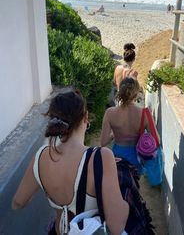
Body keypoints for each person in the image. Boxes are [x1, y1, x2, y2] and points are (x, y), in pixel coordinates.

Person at [12, 91, 129, 235]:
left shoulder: (40, 156)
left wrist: (47, 186)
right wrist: (126, 205)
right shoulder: (100, 156)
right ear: (86, 117)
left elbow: (17, 202)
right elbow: (116, 226)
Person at [100, 77, 160, 174]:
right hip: (136, 157)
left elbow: (103, 142)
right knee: (134, 185)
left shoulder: (109, 113)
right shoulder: (145, 113)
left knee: (119, 184)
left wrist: (114, 134)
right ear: (136, 94)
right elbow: (157, 141)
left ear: (120, 91)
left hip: (117, 156)